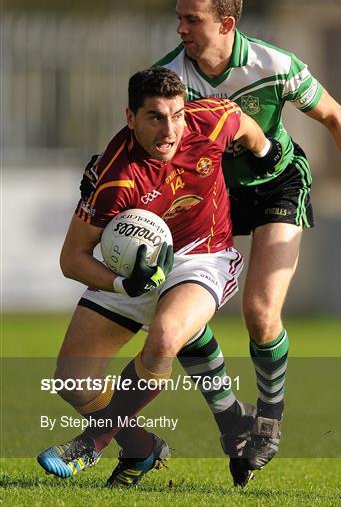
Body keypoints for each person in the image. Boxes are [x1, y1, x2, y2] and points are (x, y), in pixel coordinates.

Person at [80, 0, 341, 487]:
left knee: (261, 313)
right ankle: (229, 416)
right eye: (178, 18)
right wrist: (98, 165)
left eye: (192, 20)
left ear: (227, 23)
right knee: (179, 303)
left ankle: (267, 420)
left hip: (279, 184)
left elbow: (334, 116)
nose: (181, 30)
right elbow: (143, 130)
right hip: (212, 192)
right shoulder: (171, 74)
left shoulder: (273, 64)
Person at [37, 67, 283, 487]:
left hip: (202, 256)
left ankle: (95, 440)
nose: (170, 130)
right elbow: (72, 260)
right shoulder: (113, 177)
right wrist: (121, 284)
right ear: (129, 117)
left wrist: (264, 153)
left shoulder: (210, 120)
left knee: (168, 335)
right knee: (72, 382)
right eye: (155, 117)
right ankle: (141, 447)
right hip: (133, 268)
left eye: (177, 114)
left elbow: (244, 125)